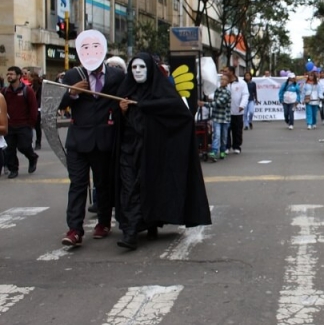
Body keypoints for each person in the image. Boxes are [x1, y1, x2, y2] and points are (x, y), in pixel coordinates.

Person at [116, 52, 211, 250]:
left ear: (150, 69)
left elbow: (180, 114)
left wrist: (148, 107)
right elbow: (118, 122)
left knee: (147, 187)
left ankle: (146, 225)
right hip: (128, 149)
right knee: (129, 188)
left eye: (142, 67)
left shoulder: (162, 90)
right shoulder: (126, 90)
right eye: (134, 67)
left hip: (152, 151)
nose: (138, 71)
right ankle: (131, 230)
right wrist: (123, 110)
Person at [58, 30, 123, 246]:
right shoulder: (72, 76)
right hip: (78, 141)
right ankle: (74, 229)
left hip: (104, 140)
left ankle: (103, 222)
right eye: (86, 48)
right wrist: (73, 93)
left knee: (103, 184)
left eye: (96, 47)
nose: (91, 52)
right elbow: (57, 105)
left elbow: (125, 100)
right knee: (77, 184)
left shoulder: (115, 76)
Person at [2, 66, 39, 179]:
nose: (9, 76)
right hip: (10, 126)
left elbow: (33, 108)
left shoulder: (27, 90)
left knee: (24, 147)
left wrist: (31, 124)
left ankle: (32, 157)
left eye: (12, 74)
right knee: (10, 149)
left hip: (24, 125)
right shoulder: (4, 91)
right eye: (8, 74)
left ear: (19, 76)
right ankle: (14, 169)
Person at [199, 73, 232, 161]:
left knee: (224, 137)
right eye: (221, 79)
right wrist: (209, 101)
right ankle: (214, 151)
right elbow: (215, 101)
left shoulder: (227, 92)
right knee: (216, 135)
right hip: (217, 117)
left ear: (228, 82)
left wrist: (205, 104)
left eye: (224, 80)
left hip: (225, 118)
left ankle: (222, 150)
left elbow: (219, 103)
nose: (222, 81)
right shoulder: (217, 90)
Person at [223, 67, 248, 154]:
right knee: (226, 129)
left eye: (226, 71)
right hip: (225, 111)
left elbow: (245, 95)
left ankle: (236, 146)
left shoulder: (241, 83)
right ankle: (227, 146)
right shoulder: (223, 82)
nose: (224, 73)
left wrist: (242, 105)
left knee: (237, 130)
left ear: (231, 72)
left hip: (237, 111)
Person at [29, 71, 42, 150]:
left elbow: (40, 98)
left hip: (37, 109)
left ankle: (38, 142)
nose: (28, 78)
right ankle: (29, 142)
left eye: (29, 76)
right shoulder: (30, 86)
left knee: (37, 127)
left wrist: (37, 108)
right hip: (30, 109)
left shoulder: (39, 87)